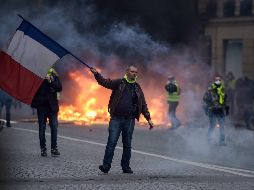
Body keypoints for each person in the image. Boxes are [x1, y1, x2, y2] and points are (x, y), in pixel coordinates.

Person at [90, 65, 154, 174]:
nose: (134, 74)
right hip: (116, 119)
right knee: (111, 142)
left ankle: (126, 167)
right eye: (132, 71)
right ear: (127, 72)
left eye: (136, 72)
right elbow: (105, 83)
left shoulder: (137, 87)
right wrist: (96, 74)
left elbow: (143, 104)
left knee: (127, 144)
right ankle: (106, 166)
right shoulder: (119, 83)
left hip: (129, 120)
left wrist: (149, 118)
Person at [31, 68, 62, 157]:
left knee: (54, 128)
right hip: (41, 107)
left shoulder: (54, 76)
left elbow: (59, 88)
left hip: (52, 107)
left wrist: (51, 81)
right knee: (42, 129)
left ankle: (54, 148)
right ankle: (43, 149)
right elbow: (34, 90)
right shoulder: (37, 76)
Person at [203, 76, 229, 146]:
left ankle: (210, 140)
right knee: (221, 126)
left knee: (213, 126)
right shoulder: (222, 89)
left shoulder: (210, 89)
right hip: (219, 110)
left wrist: (208, 106)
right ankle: (221, 142)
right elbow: (226, 101)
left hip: (213, 110)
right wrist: (226, 109)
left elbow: (204, 99)